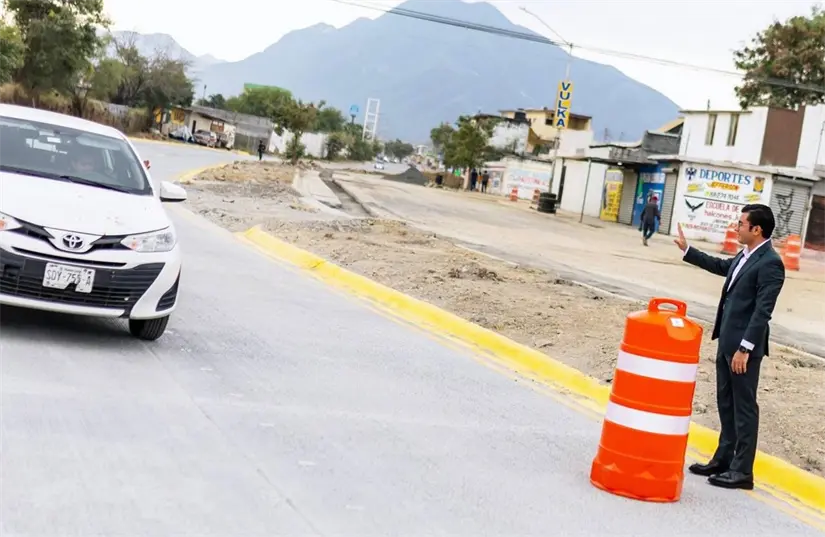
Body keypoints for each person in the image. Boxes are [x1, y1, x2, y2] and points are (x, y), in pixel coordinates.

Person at [674, 204, 785, 490]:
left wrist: (745, 348)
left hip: (743, 350)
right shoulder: (745, 255)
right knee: (726, 404)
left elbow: (763, 311)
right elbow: (722, 267)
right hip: (727, 341)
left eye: (741, 223)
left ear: (756, 229)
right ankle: (723, 459)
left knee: (744, 408)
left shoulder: (770, 262)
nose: (737, 227)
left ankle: (742, 471)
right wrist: (689, 251)